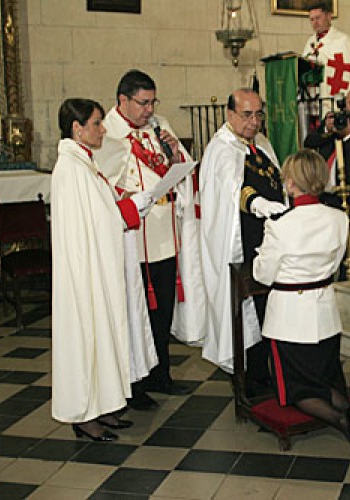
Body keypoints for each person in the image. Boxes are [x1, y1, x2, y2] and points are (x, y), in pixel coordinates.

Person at [253, 149, 350, 466]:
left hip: (289, 319)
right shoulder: (339, 218)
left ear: (291, 183)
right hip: (324, 313)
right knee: (325, 379)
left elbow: (262, 274)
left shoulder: (280, 225)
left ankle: (344, 423)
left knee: (298, 390)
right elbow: (335, 264)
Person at [51, 98, 158, 441]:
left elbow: (100, 211)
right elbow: (97, 222)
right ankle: (84, 416)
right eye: (97, 123)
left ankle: (103, 408)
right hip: (84, 274)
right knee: (87, 340)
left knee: (102, 338)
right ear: (77, 128)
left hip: (95, 266)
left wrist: (124, 205)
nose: (102, 129)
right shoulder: (70, 169)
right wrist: (132, 207)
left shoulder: (84, 162)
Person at [95, 70, 193, 410]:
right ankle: (133, 384)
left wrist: (174, 159)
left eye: (153, 102)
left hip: (164, 234)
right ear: (122, 100)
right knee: (135, 313)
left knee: (162, 310)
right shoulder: (106, 134)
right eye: (143, 102)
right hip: (132, 240)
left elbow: (180, 164)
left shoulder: (158, 125)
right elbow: (103, 186)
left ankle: (160, 374)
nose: (150, 109)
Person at [199, 88, 287, 393]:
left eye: (258, 114)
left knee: (270, 309)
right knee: (250, 313)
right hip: (242, 243)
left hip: (269, 241)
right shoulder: (221, 148)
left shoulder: (259, 143)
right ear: (230, 114)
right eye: (247, 114)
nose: (254, 121)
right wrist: (256, 204)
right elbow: (229, 190)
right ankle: (252, 382)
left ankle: (273, 375)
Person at [304, 88, 350, 276]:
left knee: (349, 246)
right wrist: (326, 128)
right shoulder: (335, 124)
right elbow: (310, 142)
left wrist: (347, 135)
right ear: (345, 105)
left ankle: (348, 277)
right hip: (327, 195)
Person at [300, 2, 350, 119]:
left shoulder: (343, 41)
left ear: (328, 16)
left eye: (318, 18)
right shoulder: (310, 42)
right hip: (314, 103)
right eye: (311, 19)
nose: (315, 22)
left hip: (334, 98)